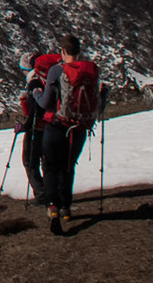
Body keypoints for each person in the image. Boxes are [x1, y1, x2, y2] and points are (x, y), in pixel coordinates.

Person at [30, 34, 102, 235]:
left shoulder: (57, 71)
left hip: (56, 125)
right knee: (68, 166)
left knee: (51, 166)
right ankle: (66, 207)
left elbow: (45, 102)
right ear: (79, 51)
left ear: (62, 51)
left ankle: (52, 206)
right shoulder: (90, 71)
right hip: (79, 128)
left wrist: (35, 91)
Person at [17, 49, 60, 204]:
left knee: (30, 160)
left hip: (38, 127)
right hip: (55, 124)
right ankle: (56, 192)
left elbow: (36, 107)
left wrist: (25, 126)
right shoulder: (51, 75)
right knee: (48, 160)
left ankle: (42, 194)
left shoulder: (34, 80)